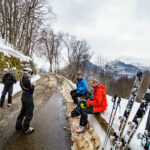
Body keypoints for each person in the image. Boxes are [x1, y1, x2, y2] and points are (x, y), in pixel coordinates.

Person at [15, 68, 36, 134]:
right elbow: (31, 90)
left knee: (23, 112)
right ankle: (26, 129)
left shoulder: (22, 79)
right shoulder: (26, 80)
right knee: (29, 114)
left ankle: (18, 126)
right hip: (28, 98)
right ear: (28, 73)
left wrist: (30, 84)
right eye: (30, 73)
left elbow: (26, 87)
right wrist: (33, 85)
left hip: (23, 96)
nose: (30, 74)